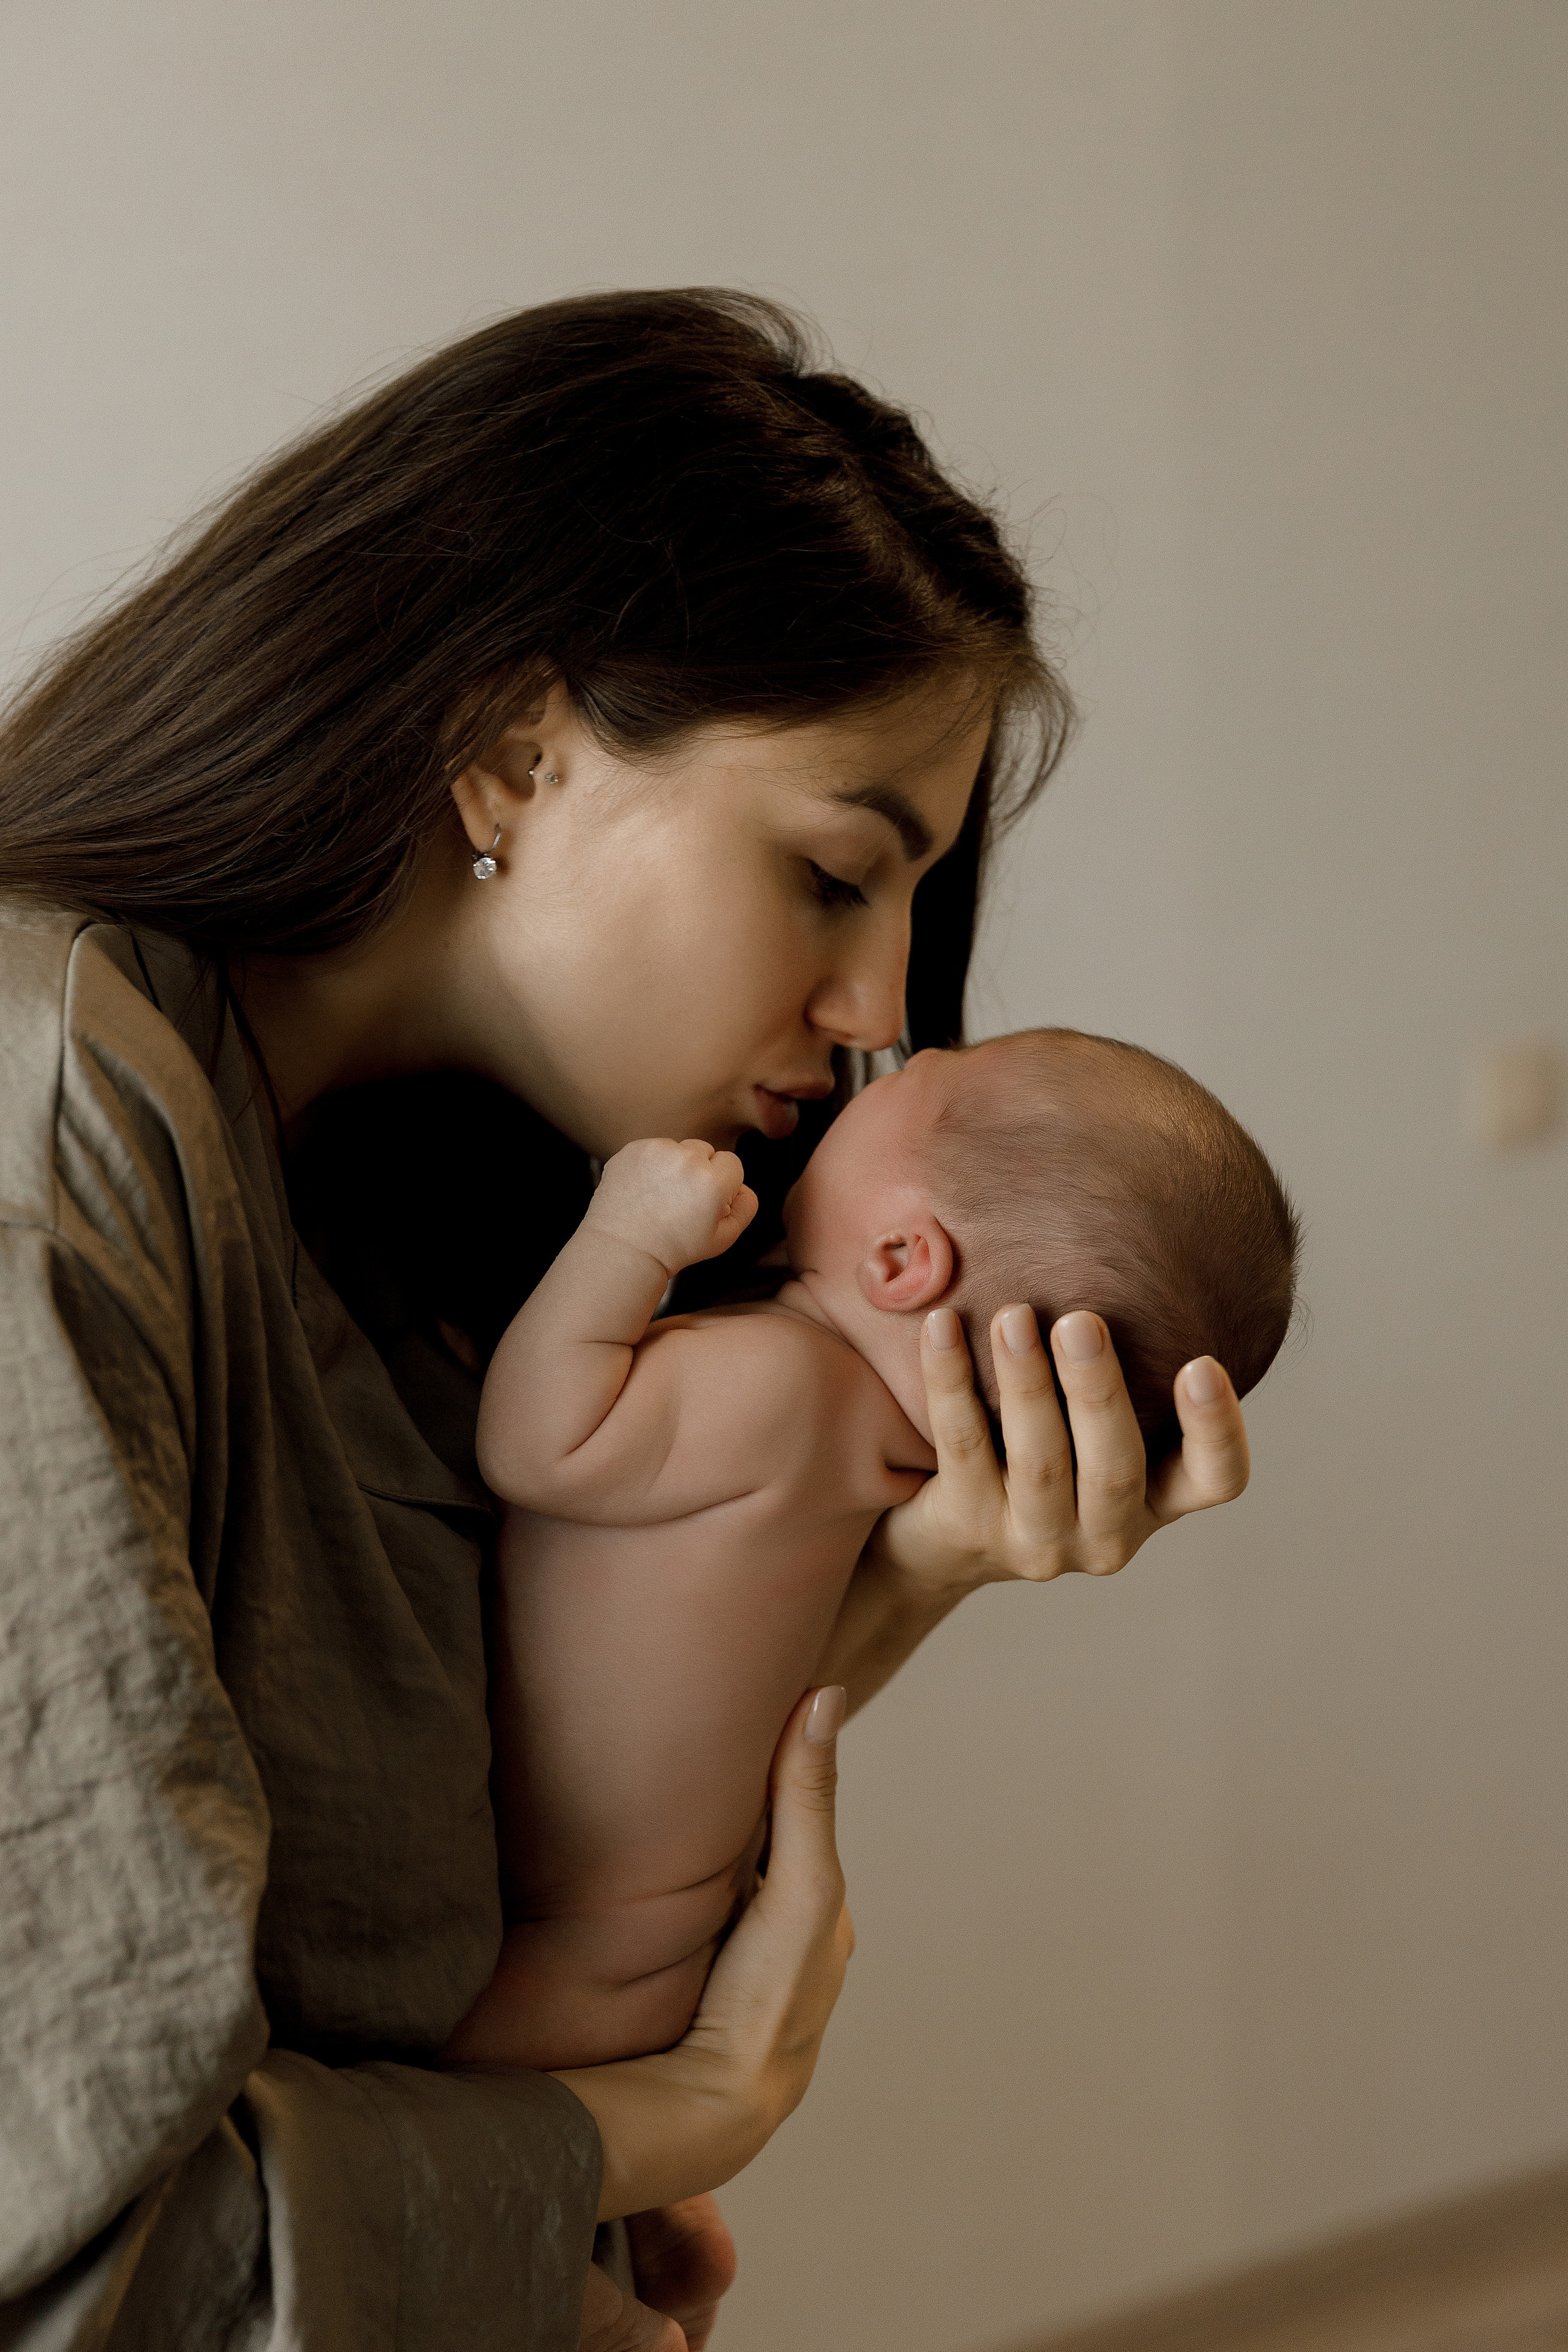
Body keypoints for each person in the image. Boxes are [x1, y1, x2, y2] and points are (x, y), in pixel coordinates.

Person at [0, 290, 1253, 2352]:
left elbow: (531, 1848)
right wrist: (662, 2125)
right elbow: (102, 2267)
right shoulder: (58, 1132)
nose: (877, 1018)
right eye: (842, 875)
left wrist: (919, 1560)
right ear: (514, 749)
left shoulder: (411, 1228)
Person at [441, 1028, 1299, 2074]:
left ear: (901, 1258)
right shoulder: (885, 1462)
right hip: (644, 1964)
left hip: (553, 1950)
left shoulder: (776, 1389)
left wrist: (628, 1238)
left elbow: (536, 1447)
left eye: (913, 1078)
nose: (883, 1062)